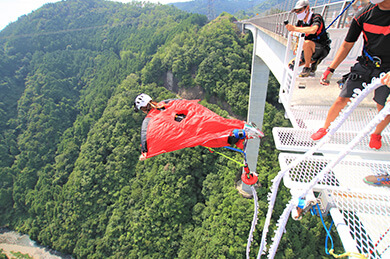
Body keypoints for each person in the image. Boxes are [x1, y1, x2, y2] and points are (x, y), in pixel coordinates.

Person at [312, 0, 390, 150]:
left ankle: (376, 134)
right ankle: (325, 128)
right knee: (342, 98)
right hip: (367, 63)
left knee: (384, 106)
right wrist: (331, 69)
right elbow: (347, 44)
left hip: (388, 70)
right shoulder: (363, 15)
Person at [133, 93, 264, 161]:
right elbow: (183, 103)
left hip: (191, 130)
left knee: (213, 140)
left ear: (143, 109)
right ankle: (243, 128)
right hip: (197, 119)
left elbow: (147, 138)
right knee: (220, 124)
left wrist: (145, 152)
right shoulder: (166, 103)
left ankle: (242, 134)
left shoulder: (149, 121)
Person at [286, 0, 331, 77]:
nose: (298, 13)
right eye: (296, 12)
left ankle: (307, 67)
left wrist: (294, 28)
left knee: (307, 43)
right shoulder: (300, 23)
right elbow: (298, 36)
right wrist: (296, 48)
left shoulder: (316, 18)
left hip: (321, 48)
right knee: (291, 64)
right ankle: (313, 62)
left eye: (300, 10)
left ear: (307, 8)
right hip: (308, 50)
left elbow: (313, 30)